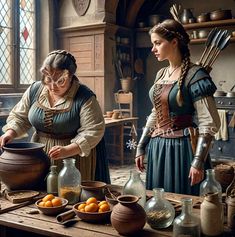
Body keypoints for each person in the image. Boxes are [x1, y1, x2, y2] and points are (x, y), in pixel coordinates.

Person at [135, 19, 221, 195]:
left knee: (185, 203)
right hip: (158, 148)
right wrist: (141, 146)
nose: (153, 49)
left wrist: (198, 161)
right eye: (153, 44)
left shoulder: (196, 75)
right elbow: (155, 113)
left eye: (157, 43)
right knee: (159, 203)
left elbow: (209, 122)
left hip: (183, 149)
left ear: (174, 42)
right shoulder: (161, 74)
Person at [0, 49, 110, 183]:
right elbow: (20, 116)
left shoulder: (84, 97)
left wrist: (67, 150)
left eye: (60, 81)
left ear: (71, 77)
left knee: (71, 197)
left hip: (73, 159)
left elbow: (93, 130)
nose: (53, 86)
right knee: (43, 199)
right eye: (48, 79)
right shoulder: (35, 89)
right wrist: (10, 133)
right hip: (39, 154)